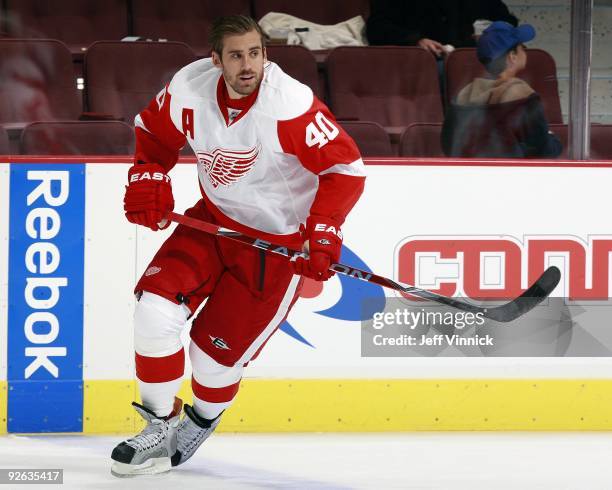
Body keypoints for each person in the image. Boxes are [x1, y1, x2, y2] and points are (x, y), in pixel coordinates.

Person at [110, 15, 366, 477]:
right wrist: (148, 172)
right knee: (153, 311)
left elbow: (345, 170)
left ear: (265, 54)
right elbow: (153, 131)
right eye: (236, 55)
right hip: (212, 222)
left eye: (255, 53)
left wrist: (324, 228)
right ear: (216, 59)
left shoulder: (290, 106)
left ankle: (202, 419)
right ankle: (157, 425)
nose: (248, 65)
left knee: (212, 361)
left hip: (275, 246)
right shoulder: (189, 86)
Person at [441, 21, 562, 158]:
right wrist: (553, 140)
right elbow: (543, 151)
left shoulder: (462, 96)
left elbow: (448, 146)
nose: (525, 49)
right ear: (512, 56)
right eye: (522, 47)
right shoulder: (523, 97)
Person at [366, 0, 518, 57]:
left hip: (465, 56)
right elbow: (377, 28)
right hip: (418, 59)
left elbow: (507, 20)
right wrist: (415, 41)